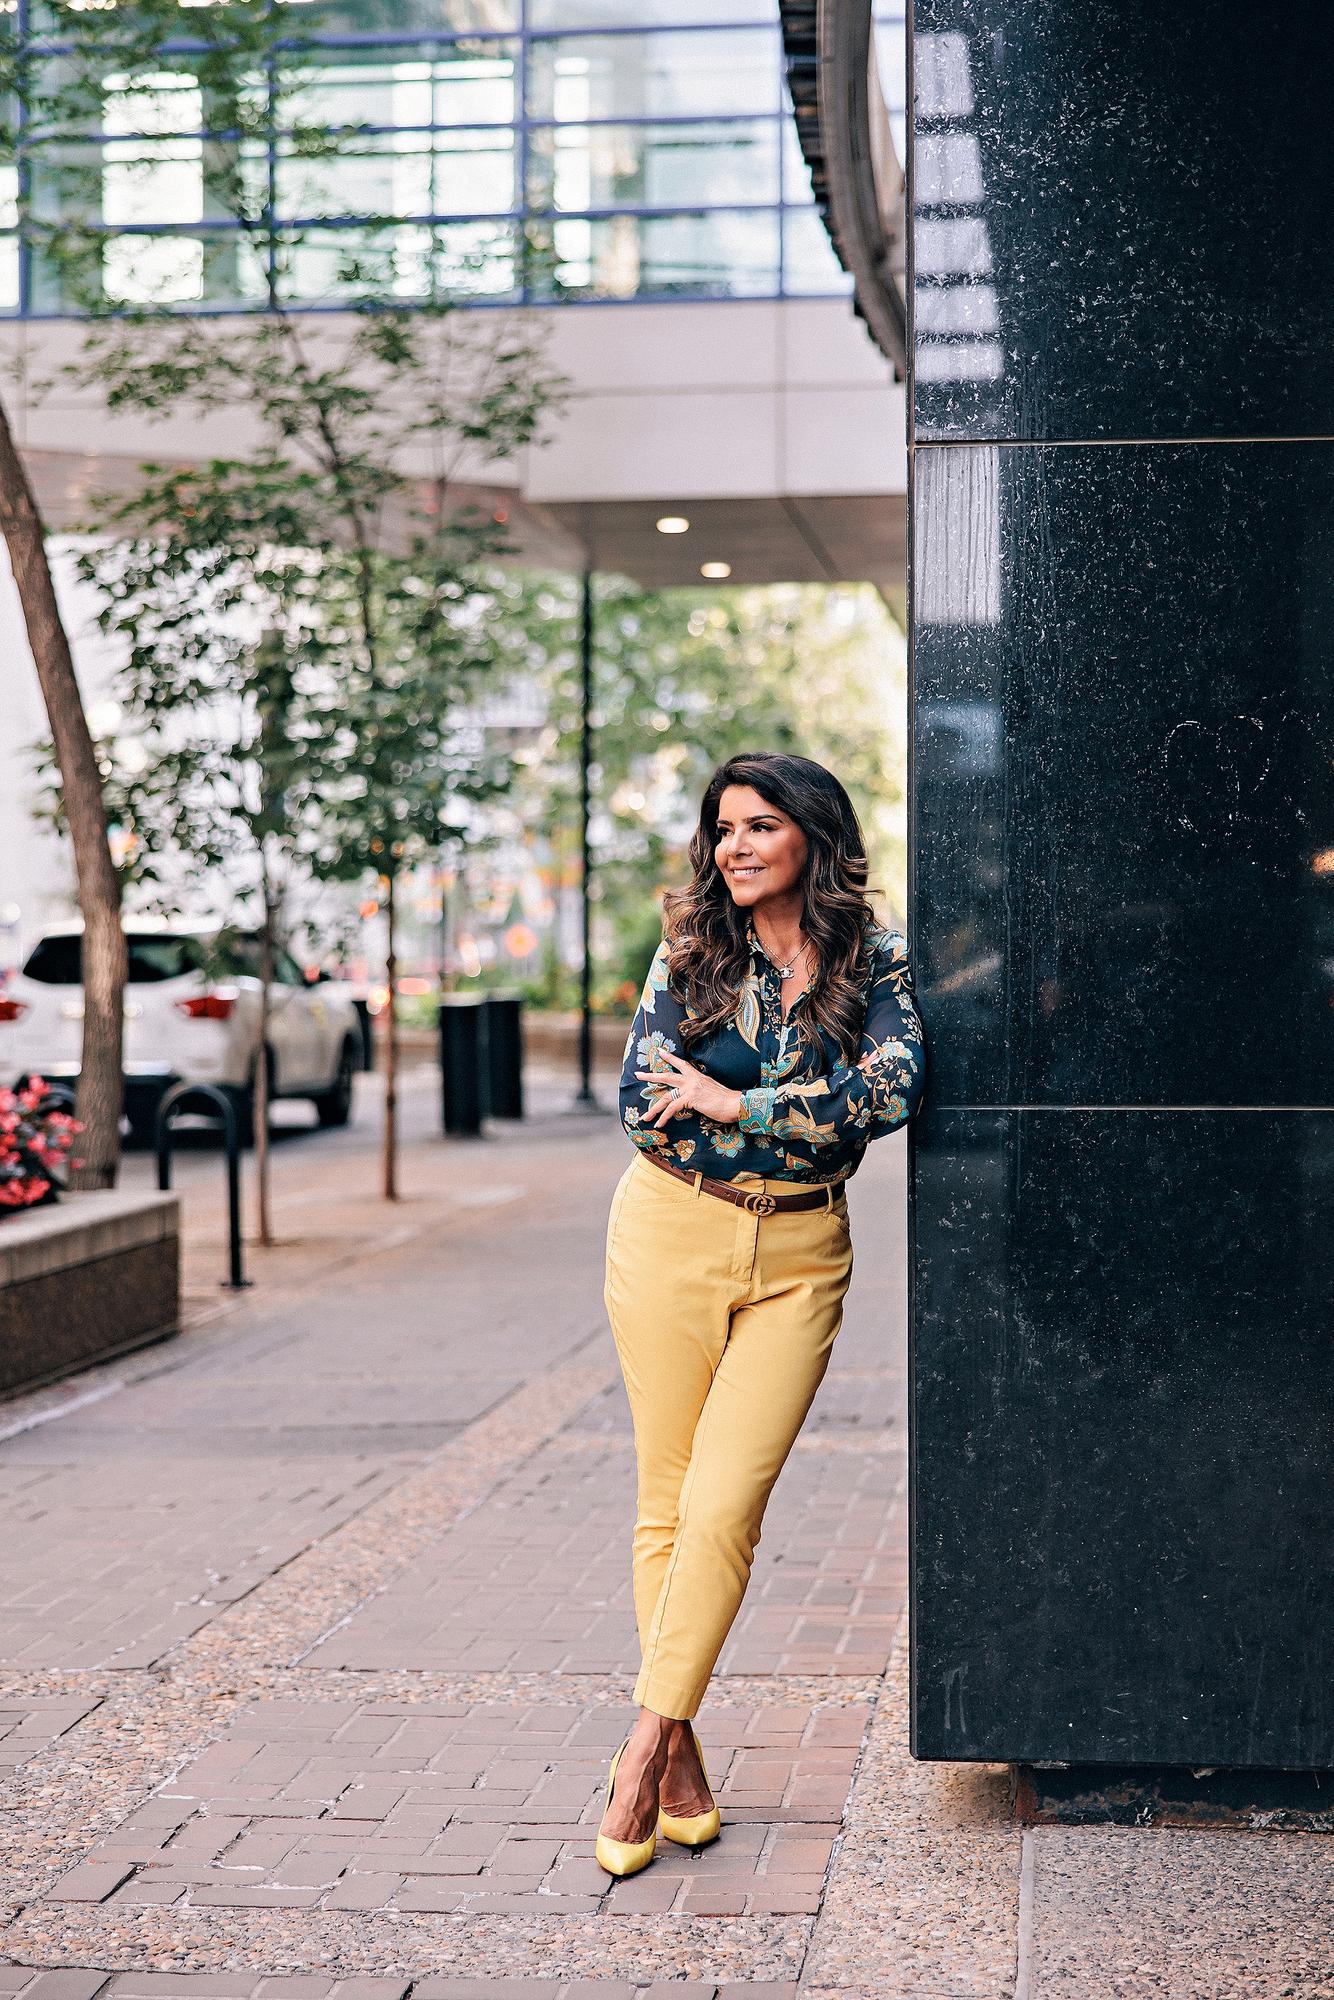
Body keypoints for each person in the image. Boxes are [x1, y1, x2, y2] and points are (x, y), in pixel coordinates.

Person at [596, 749, 926, 1877]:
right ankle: (680, 1757)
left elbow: (890, 1089)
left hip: (798, 1253)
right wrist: (796, 1115)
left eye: (758, 826)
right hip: (668, 1231)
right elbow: (645, 1105)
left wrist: (739, 1100)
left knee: (725, 1501)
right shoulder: (689, 946)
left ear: (810, 837)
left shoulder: (871, 952)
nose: (733, 845)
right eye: (723, 826)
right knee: (666, 1500)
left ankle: (639, 1747)